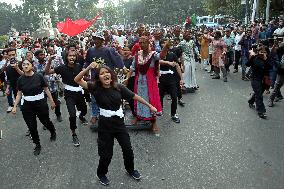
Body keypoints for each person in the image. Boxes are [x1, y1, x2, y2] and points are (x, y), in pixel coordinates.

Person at [74, 62, 157, 186]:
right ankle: (101, 173)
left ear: (111, 75)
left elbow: (135, 97)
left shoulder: (119, 87)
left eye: (107, 72)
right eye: (102, 74)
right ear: (99, 78)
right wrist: (88, 68)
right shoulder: (95, 87)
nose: (105, 75)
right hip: (105, 125)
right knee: (106, 154)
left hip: (119, 124)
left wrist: (150, 106)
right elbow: (77, 79)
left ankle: (130, 170)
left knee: (127, 148)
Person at [12, 60, 56, 156]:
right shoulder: (20, 79)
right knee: (32, 127)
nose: (26, 66)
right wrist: (14, 106)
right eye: (23, 65)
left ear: (32, 66)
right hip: (27, 105)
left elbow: (46, 89)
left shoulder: (39, 76)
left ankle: (52, 131)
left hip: (40, 103)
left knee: (45, 121)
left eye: (28, 64)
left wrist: (52, 101)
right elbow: (19, 93)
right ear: (22, 67)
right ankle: (37, 144)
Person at [126, 36, 168, 135]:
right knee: (138, 99)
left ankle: (153, 122)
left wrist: (166, 47)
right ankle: (139, 116)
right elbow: (132, 68)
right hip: (139, 82)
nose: (142, 44)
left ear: (148, 43)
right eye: (140, 43)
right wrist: (127, 78)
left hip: (150, 82)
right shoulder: (137, 55)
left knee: (151, 100)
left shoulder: (153, 54)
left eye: (144, 42)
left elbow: (161, 56)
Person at [45, 50, 88, 147]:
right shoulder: (61, 68)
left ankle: (81, 116)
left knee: (84, 110)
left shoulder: (78, 66)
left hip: (79, 92)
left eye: (73, 56)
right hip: (69, 94)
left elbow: (83, 77)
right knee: (72, 115)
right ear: (66, 57)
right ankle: (74, 134)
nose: (72, 57)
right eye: (70, 56)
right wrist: (49, 61)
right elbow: (47, 72)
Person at [247, 46, 271, 119]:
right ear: (258, 52)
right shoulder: (255, 58)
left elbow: (270, 67)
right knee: (259, 95)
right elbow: (247, 64)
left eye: (265, 52)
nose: (263, 53)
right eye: (261, 52)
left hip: (264, 79)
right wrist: (251, 57)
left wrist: (266, 59)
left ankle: (251, 101)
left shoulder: (267, 59)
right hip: (255, 78)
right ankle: (261, 111)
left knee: (259, 93)